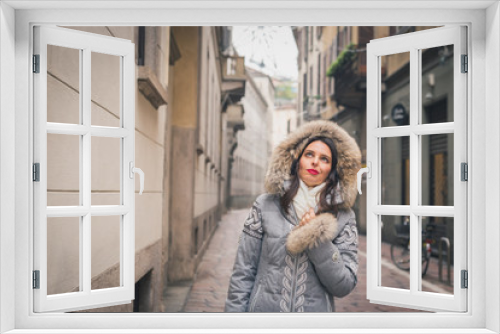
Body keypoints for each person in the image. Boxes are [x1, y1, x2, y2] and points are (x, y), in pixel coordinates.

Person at [224, 120, 361, 312]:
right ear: (296, 161)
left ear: (333, 170)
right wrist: (234, 323)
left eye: (325, 159)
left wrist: (317, 238)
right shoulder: (265, 205)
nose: (315, 162)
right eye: (309, 154)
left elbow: (343, 286)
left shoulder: (344, 217)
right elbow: (243, 271)